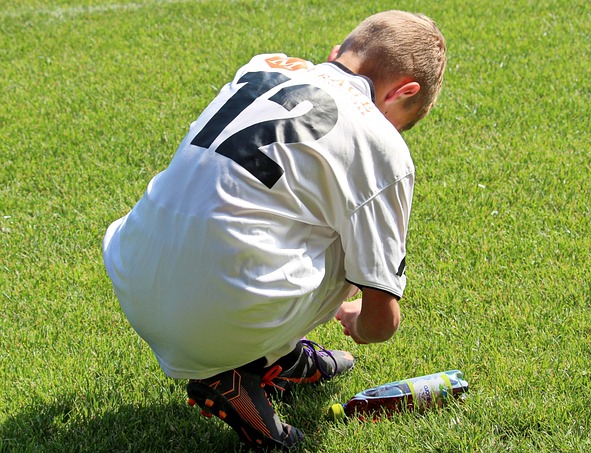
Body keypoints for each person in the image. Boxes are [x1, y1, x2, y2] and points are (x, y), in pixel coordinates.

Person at [102, 10, 446, 451]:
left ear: (336, 54)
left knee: (281, 207)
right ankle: (233, 369)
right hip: (216, 312)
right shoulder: (380, 140)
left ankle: (278, 353)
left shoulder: (263, 64)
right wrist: (362, 321)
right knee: (351, 225)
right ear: (405, 92)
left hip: (133, 273)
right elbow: (383, 322)